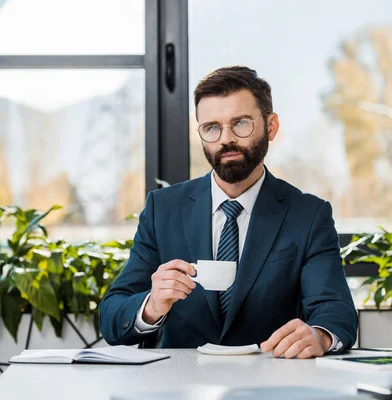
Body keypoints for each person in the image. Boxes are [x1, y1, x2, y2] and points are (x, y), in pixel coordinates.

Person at [99, 66, 358, 358]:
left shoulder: (309, 215)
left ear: (271, 126)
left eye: (241, 123)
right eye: (212, 127)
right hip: (180, 385)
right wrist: (151, 306)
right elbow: (111, 317)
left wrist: (319, 335)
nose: (226, 139)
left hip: (271, 384)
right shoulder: (163, 209)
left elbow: (336, 311)